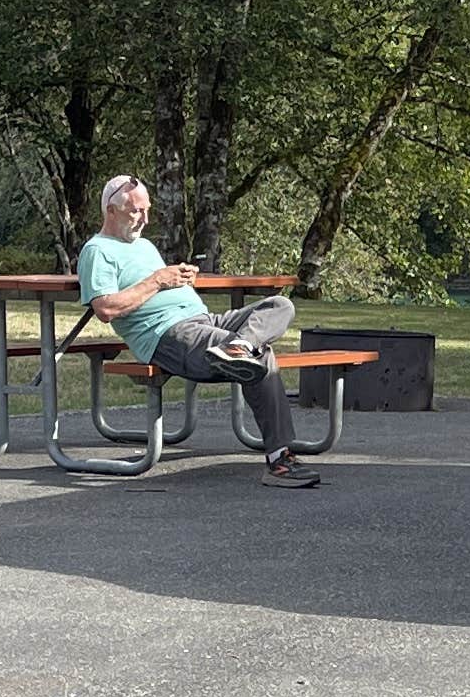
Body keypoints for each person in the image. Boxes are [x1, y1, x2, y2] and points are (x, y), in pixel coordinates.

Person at [76, 175, 318, 486]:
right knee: (263, 354)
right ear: (111, 210)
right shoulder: (97, 251)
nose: (145, 220)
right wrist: (160, 280)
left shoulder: (145, 245)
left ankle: (238, 347)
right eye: (136, 211)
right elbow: (106, 309)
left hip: (205, 321)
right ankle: (279, 461)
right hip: (167, 334)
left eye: (148, 210)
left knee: (280, 306)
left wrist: (182, 276)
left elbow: (160, 284)